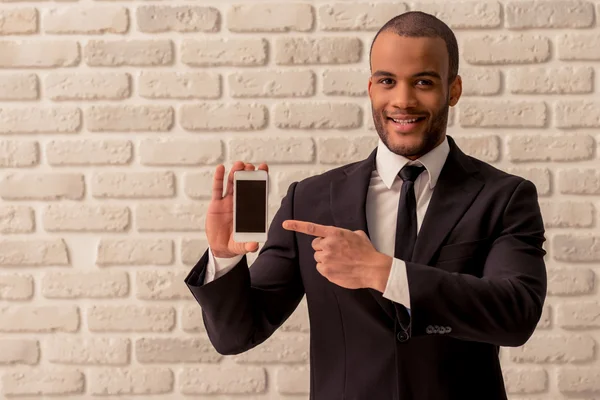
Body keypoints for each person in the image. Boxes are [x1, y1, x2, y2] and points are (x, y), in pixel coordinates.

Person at [184, 10, 547, 400]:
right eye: (387, 81)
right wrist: (223, 258)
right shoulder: (308, 201)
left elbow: (516, 315)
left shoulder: (505, 197)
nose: (403, 100)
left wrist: (385, 272)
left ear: (453, 90)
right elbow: (237, 335)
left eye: (423, 81)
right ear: (371, 88)